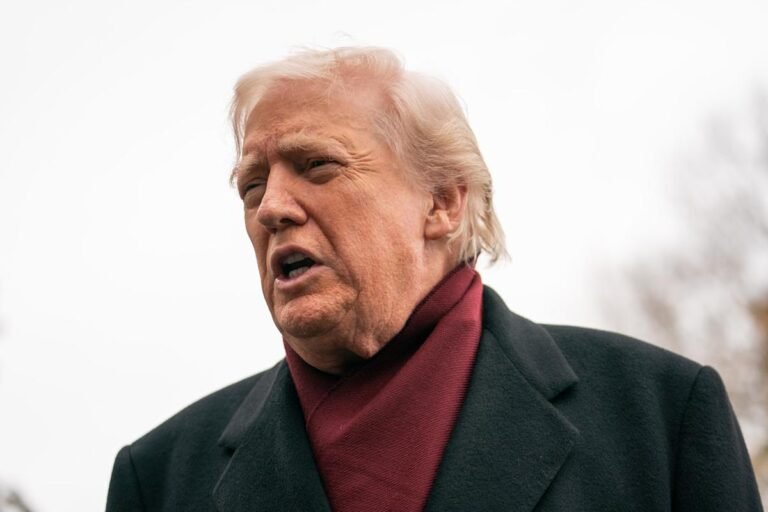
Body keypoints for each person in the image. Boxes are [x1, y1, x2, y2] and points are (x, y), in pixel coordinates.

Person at [106, 47, 763, 511]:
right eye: (252, 185)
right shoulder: (159, 478)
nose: (272, 207)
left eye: (318, 165)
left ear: (443, 201)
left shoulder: (660, 416)